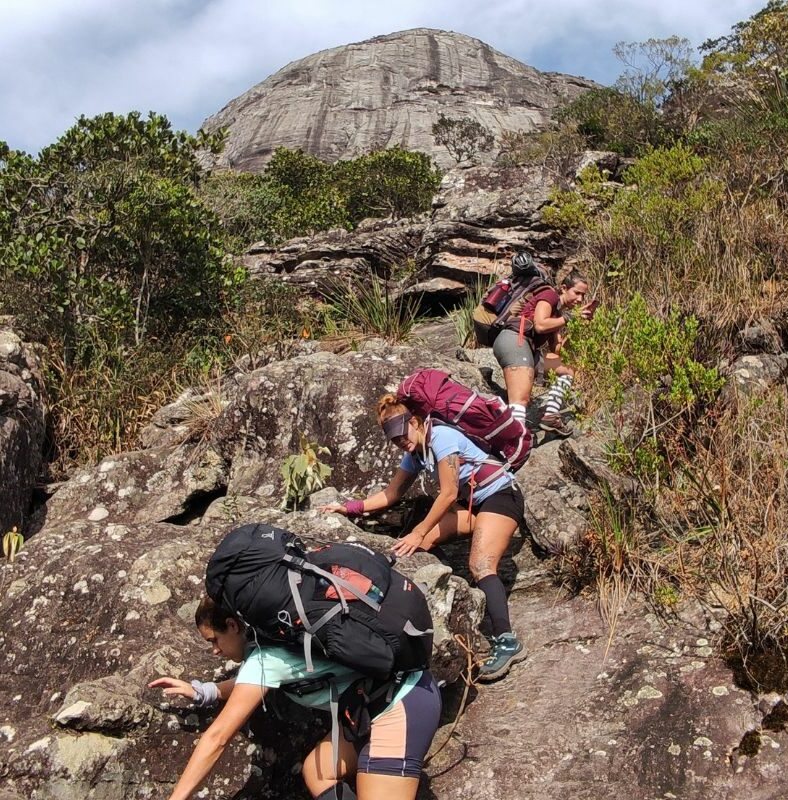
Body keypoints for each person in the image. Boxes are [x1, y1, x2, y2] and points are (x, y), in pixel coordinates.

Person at [149, 596, 441, 800]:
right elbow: (251, 683)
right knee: (318, 772)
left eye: (214, 639)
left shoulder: (266, 657)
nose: (214, 650)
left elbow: (217, 737)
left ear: (233, 625)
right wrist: (206, 691)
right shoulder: (276, 636)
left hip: (401, 704)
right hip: (372, 708)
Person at [322, 395, 527, 682]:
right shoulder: (415, 452)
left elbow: (449, 493)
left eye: (402, 435)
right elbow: (391, 494)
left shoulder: (442, 437)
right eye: (394, 441)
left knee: (481, 564)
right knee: (416, 546)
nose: (400, 443)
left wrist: (418, 530)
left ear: (415, 423)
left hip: (500, 497)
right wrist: (349, 507)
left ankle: (506, 641)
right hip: (472, 507)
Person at [491, 269, 593, 435]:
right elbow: (540, 324)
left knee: (567, 370)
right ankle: (515, 441)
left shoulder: (558, 313)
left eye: (583, 296)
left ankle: (550, 416)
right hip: (514, 340)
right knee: (521, 397)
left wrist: (577, 328)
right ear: (564, 288)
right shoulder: (550, 295)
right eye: (577, 293)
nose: (580, 299)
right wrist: (570, 318)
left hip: (528, 348)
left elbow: (557, 350)